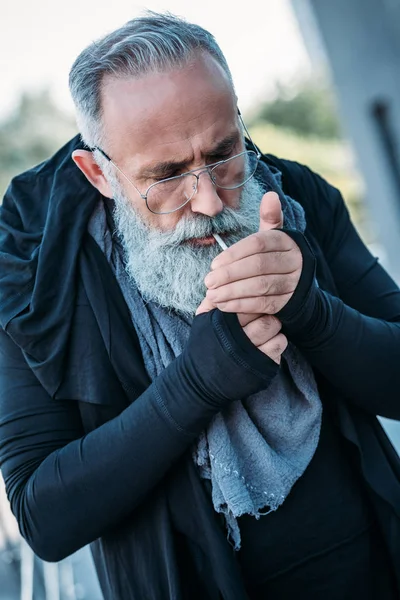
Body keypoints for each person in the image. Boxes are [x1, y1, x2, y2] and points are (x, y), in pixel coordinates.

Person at [0, 12, 399, 600]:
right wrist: (196, 384)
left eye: (223, 153)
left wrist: (312, 312)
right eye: (165, 176)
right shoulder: (33, 276)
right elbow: (45, 518)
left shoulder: (299, 196)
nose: (209, 201)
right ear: (100, 174)